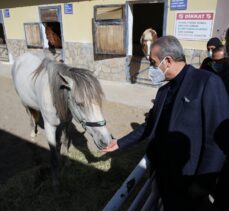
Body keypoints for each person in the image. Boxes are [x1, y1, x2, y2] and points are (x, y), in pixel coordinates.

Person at [102, 35, 229, 211]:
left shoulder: (207, 82)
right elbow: (150, 124)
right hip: (164, 177)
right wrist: (121, 142)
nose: (152, 69)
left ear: (167, 60)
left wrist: (202, 183)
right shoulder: (164, 90)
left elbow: (217, 139)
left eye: (153, 63)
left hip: (189, 180)